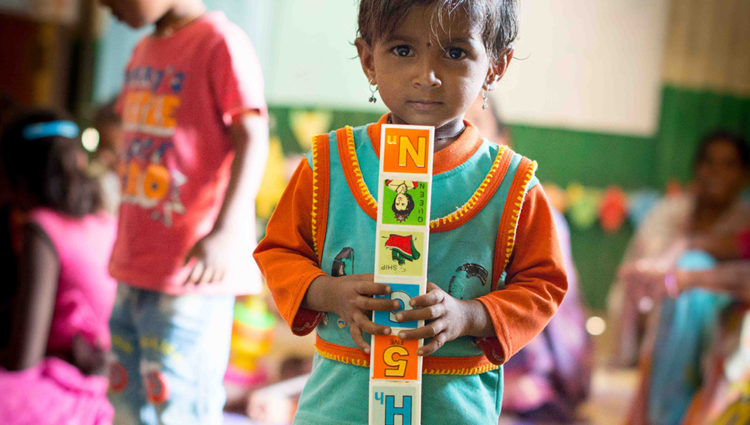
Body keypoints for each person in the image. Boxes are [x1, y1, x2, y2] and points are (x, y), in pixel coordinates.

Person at [253, 1, 568, 424]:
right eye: (403, 50)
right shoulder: (328, 165)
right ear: (368, 59)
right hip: (338, 409)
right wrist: (331, 294)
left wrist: (468, 315)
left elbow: (543, 285)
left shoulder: (513, 184)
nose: (427, 75)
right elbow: (278, 254)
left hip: (453, 411)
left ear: (496, 65)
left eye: (455, 53)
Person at [97, 0, 269, 423]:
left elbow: (254, 136)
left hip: (191, 270)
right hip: (135, 264)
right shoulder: (143, 51)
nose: (103, 5)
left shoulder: (219, 43)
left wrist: (227, 231)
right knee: (124, 400)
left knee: (179, 406)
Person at [465, 94, 592, 422]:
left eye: (474, 125)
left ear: (502, 140)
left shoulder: (533, 209)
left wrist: (572, 385)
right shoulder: (411, 211)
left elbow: (562, 317)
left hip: (523, 390)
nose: (460, 137)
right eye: (445, 129)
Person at [614, 131, 750, 425]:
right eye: (710, 163)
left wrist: (685, 278)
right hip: (662, 312)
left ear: (744, 174)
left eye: (730, 165)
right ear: (697, 168)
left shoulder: (744, 217)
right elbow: (668, 256)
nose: (718, 173)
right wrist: (668, 268)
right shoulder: (673, 211)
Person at [0, 109, 118, 424]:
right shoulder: (104, 222)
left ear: (19, 175)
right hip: (99, 384)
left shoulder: (41, 228)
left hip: (66, 392)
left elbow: (23, 360)